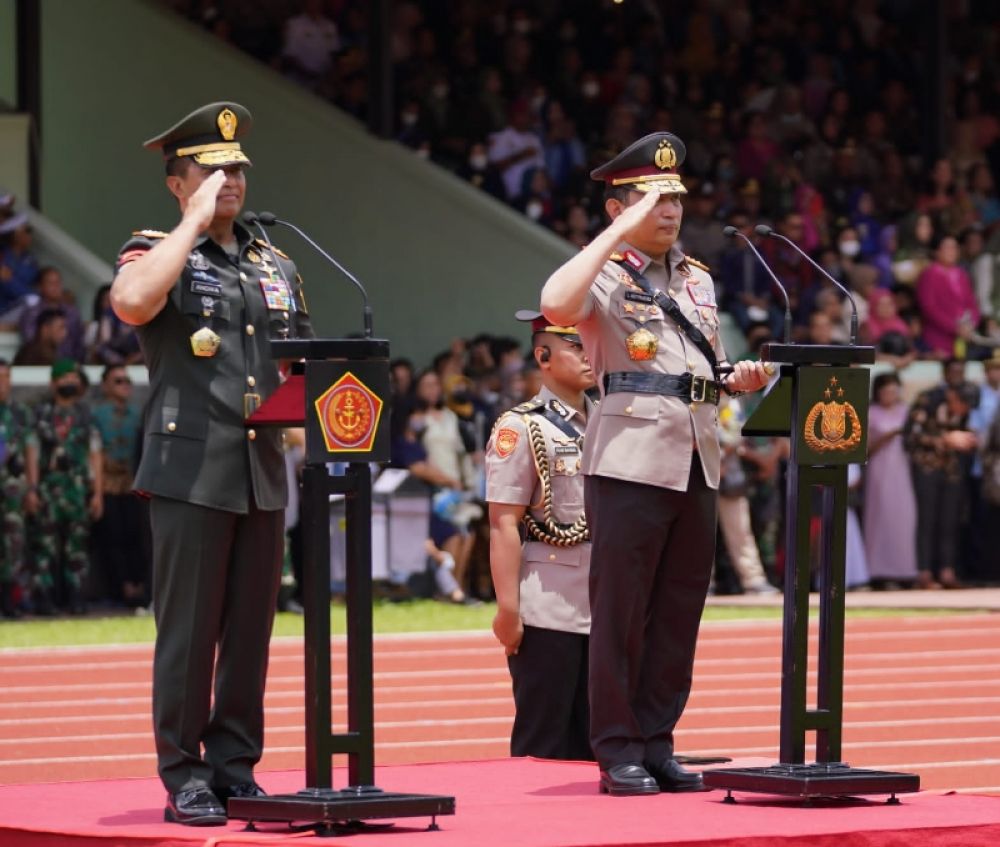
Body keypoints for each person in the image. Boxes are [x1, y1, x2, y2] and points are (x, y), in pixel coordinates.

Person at [540, 132, 771, 796]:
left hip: (697, 457)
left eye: (674, 199)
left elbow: (702, 365)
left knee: (677, 612)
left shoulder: (696, 276)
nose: (669, 212)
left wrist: (737, 379)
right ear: (618, 208)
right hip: (629, 460)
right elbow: (556, 305)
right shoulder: (603, 273)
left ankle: (658, 738)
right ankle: (616, 748)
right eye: (651, 200)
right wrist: (614, 239)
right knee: (621, 612)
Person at [109, 102, 312, 826]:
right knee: (191, 631)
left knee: (251, 631)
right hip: (190, 468)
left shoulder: (274, 261)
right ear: (176, 182)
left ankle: (234, 765)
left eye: (236, 168)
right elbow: (131, 303)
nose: (228, 179)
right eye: (210, 168)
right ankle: (184, 772)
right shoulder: (156, 250)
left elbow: (303, 364)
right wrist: (193, 223)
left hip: (260, 469)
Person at [485, 310, 596, 761]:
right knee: (543, 741)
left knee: (602, 743)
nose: (590, 355)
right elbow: (503, 521)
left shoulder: (608, 419)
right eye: (577, 346)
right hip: (550, 605)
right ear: (544, 356)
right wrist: (509, 609)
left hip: (607, 603)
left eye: (592, 344)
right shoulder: (522, 427)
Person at [31, 358, 103, 614]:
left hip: (77, 490)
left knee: (77, 547)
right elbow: (33, 450)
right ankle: (45, 598)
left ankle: (75, 597)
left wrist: (98, 494)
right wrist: (32, 488)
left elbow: (95, 453)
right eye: (64, 378)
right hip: (49, 489)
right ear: (53, 383)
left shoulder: (85, 415)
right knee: (46, 546)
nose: (70, 381)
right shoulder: (42, 414)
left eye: (73, 377)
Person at [91, 364, 148, 606]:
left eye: (127, 380)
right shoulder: (97, 415)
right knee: (113, 537)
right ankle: (119, 590)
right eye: (118, 381)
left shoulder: (138, 414)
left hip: (134, 482)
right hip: (108, 484)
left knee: (137, 535)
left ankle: (139, 587)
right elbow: (94, 451)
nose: (124, 385)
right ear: (105, 385)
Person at [863, 372, 918, 588]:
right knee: (880, 518)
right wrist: (889, 435)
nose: (890, 395)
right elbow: (866, 449)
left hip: (903, 470)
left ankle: (905, 571)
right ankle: (879, 572)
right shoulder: (871, 412)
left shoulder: (907, 411)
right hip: (879, 470)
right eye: (886, 391)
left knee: (904, 517)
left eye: (894, 390)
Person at [0, 358, 39, 617]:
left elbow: (30, 449)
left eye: (6, 377)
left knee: (14, 545)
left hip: (13, 490)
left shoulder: (20, 412)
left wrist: (33, 487)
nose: (3, 383)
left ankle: (11, 601)